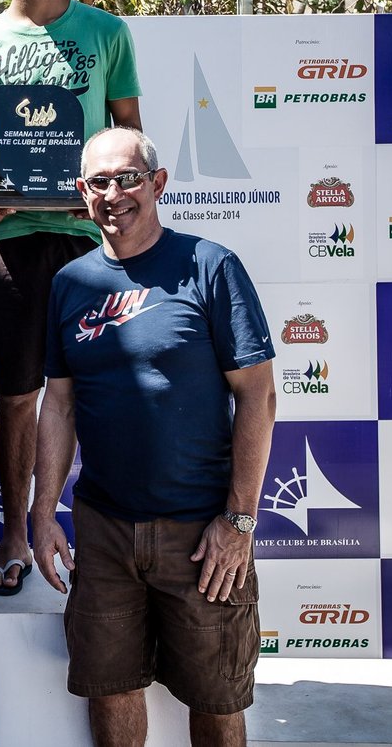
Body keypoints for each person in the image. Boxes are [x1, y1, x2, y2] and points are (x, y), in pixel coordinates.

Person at [33, 127, 275, 747]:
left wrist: (238, 521)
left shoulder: (210, 266)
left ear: (158, 183)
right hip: (104, 533)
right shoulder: (70, 283)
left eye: (128, 178)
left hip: (201, 535)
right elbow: (58, 404)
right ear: (82, 192)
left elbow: (258, 396)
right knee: (110, 691)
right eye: (99, 182)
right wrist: (43, 511)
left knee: (216, 699)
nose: (114, 194)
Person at [0, 0, 143, 596]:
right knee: (17, 395)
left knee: (102, 391)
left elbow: (129, 131)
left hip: (91, 243)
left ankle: (88, 534)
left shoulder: (106, 33)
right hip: (13, 240)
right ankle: (14, 534)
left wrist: (114, 192)